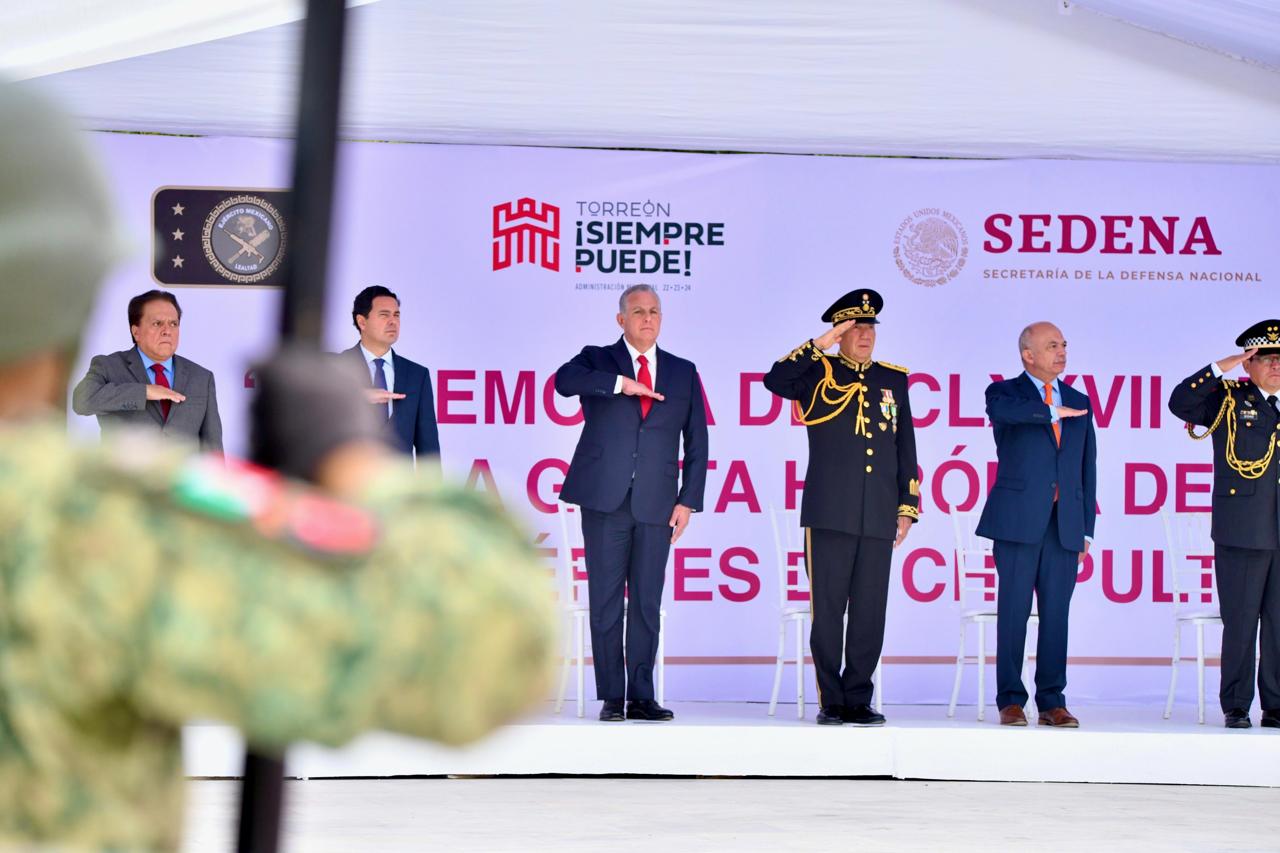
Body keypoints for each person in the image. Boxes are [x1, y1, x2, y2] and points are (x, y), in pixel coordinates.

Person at [0, 83, 555, 851]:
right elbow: (494, 648)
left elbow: (212, 448)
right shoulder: (88, 523)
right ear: (67, 291)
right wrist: (350, 457)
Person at [763, 289, 918, 726]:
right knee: (828, 610)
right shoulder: (819, 370)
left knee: (871, 610)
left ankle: (859, 697)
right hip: (829, 512)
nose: (866, 335)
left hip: (878, 513)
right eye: (856, 328)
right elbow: (775, 380)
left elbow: (905, 445)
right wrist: (820, 345)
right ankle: (832, 699)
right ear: (841, 332)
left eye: (870, 328)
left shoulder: (894, 380)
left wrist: (906, 505)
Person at [554, 284, 708, 722]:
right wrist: (621, 384)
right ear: (620, 319)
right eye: (637, 311)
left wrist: (688, 501)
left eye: (654, 311)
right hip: (605, 498)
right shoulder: (597, 360)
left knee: (645, 600)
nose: (647, 318)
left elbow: (698, 441)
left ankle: (641, 694)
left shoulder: (682, 371)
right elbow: (563, 382)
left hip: (658, 504)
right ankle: (612, 696)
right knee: (604, 600)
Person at [976, 321, 1095, 728]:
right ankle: (1010, 699)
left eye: (1063, 344)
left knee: (1056, 614)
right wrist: (1049, 411)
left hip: (1063, 525)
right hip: (1017, 521)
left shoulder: (1080, 400)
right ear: (1028, 354)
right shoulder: (1005, 392)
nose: (1061, 352)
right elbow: (1003, 413)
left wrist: (1086, 527)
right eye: (1051, 345)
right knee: (1013, 610)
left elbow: (1086, 466)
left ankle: (1052, 701)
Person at [1168, 321, 1280, 729]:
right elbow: (1180, 402)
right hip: (1243, 529)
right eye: (1265, 358)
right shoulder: (1229, 399)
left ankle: (1276, 704)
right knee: (1241, 619)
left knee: (1279, 623)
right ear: (1248, 365)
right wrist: (1221, 367)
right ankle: (1236, 704)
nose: (1275, 366)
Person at [72, 289, 223, 452]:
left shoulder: (201, 377)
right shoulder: (108, 366)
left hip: (182, 477)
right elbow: (81, 402)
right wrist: (144, 392)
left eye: (173, 324)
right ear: (136, 332)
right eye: (157, 323)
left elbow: (213, 450)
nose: (167, 331)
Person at [341, 285, 441, 461]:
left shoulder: (417, 375)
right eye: (384, 315)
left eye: (396, 315)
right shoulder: (337, 367)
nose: (393, 322)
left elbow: (429, 448)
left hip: (400, 486)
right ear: (362, 322)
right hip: (348, 484)